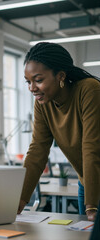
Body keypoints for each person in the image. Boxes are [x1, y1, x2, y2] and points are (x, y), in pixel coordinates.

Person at [17, 42, 100, 221]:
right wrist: (18, 201)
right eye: (28, 82)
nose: (32, 88)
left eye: (38, 80)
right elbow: (37, 150)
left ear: (60, 76)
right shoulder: (43, 104)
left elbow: (91, 147)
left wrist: (91, 205)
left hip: (95, 182)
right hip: (87, 182)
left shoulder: (89, 89)